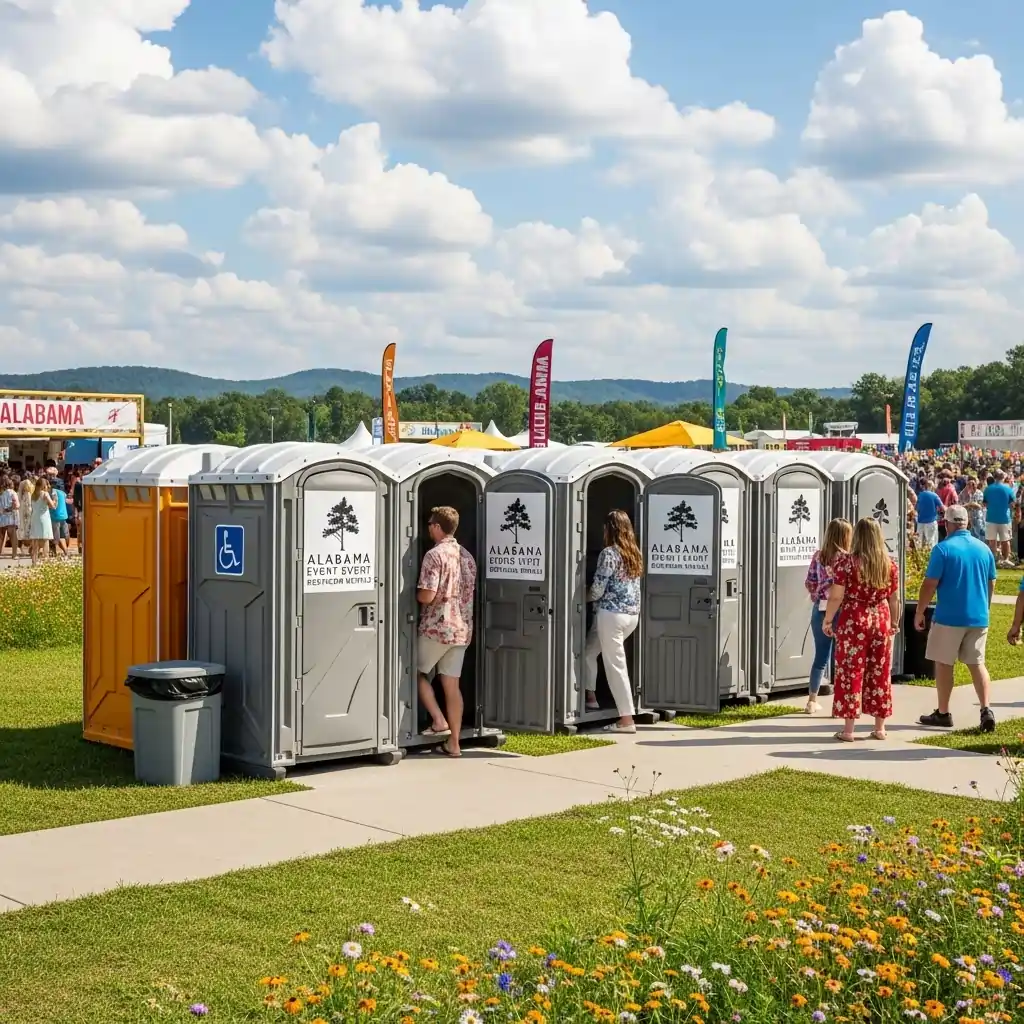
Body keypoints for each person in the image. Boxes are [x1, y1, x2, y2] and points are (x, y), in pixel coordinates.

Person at [916, 506, 997, 734]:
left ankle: (943, 712)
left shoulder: (943, 549)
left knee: (944, 663)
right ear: (967, 523)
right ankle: (986, 709)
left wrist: (920, 611)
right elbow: (991, 581)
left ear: (947, 524)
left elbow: (930, 584)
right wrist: (986, 606)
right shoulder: (984, 549)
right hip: (978, 616)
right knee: (977, 663)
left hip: (949, 617)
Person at [822, 518, 900, 742]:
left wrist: (828, 620)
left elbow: (836, 596)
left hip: (854, 619)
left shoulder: (847, 563)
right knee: (880, 671)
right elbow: (894, 599)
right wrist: (894, 622)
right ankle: (880, 728)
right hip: (881, 618)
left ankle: (848, 730)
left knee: (851, 671)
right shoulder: (889, 564)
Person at [415, 505, 476, 759]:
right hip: (461, 630)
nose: (428, 528)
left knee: (413, 673)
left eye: (430, 524)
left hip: (437, 628)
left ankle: (439, 721)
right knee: (452, 686)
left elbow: (427, 595)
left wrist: (413, 596)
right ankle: (454, 744)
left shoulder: (434, 555)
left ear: (438, 527)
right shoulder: (467, 556)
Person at [584, 509, 644, 734]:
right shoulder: (634, 552)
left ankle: (626, 720)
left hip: (611, 615)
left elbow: (597, 589)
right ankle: (591, 697)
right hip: (631, 616)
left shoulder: (609, 553)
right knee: (590, 652)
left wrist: (580, 597)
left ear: (609, 528)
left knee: (616, 666)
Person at [802, 517, 852, 714]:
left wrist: (818, 595)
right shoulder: (848, 558)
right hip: (843, 610)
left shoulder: (818, 556)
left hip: (820, 609)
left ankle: (811, 701)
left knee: (820, 657)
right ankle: (839, 703)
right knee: (842, 659)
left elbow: (809, 582)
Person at [982, 468, 1016, 568]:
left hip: (991, 518)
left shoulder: (988, 489)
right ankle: (1006, 559)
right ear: (1003, 477)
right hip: (1004, 518)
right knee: (1006, 540)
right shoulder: (1008, 489)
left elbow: (985, 504)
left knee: (992, 541)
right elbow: (1012, 504)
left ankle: (993, 560)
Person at [29, 476, 56, 566]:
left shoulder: (33, 495)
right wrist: (55, 500)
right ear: (44, 485)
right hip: (43, 518)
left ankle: (34, 561)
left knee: (35, 541)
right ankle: (45, 560)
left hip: (34, 518)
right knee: (45, 540)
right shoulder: (45, 494)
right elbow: (52, 506)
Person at [914, 480, 943, 550]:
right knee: (931, 543)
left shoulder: (920, 495)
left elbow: (916, 508)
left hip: (920, 522)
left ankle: (919, 556)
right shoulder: (935, 496)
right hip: (931, 522)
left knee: (919, 542)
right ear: (932, 487)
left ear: (925, 486)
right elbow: (942, 508)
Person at [0, 474, 19, 559]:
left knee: (1, 537)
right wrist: (10, 509)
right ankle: (14, 555)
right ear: (11, 485)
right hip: (11, 517)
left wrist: (4, 510)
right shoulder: (13, 493)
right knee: (13, 537)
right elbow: (16, 505)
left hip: (3, 518)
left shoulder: (1, 495)